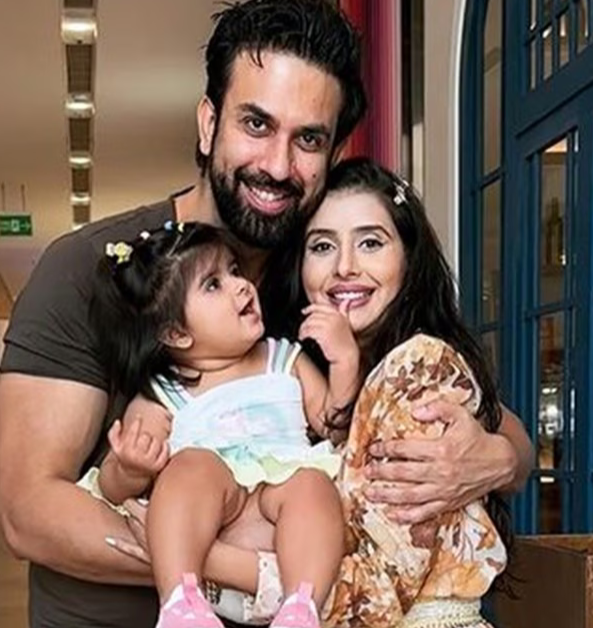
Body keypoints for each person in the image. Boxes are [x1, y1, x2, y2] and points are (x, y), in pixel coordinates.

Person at [0, 1, 533, 626]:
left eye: (309, 139)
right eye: (256, 124)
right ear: (208, 124)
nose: (278, 165)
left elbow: (498, 432)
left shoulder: (323, 278)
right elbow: (27, 515)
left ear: (332, 154)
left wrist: (495, 461)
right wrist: (221, 561)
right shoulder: (92, 272)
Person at [111, 158, 513, 627]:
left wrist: (197, 556)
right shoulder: (274, 352)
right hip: (234, 537)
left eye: (370, 242)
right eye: (322, 246)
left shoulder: (411, 367)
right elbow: (120, 478)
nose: (345, 267)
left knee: (308, 486)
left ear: (409, 256)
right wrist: (132, 471)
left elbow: (377, 587)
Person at [86, 222, 357, 628]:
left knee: (312, 484)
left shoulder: (283, 359)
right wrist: (130, 468)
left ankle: (301, 609)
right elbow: (110, 487)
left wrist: (345, 361)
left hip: (282, 540)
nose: (241, 285)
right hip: (217, 553)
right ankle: (180, 604)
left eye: (234, 270)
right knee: (190, 466)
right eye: (214, 284)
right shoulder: (165, 394)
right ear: (176, 333)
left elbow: (336, 429)